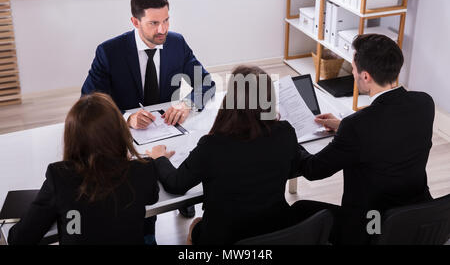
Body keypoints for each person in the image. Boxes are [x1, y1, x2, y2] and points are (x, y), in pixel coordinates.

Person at [81, 0, 214, 218]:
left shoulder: (176, 43)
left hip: (167, 128)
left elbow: (207, 83)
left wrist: (187, 103)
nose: (162, 29)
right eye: (153, 23)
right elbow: (88, 100)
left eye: (166, 20)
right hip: (127, 136)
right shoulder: (109, 51)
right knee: (139, 189)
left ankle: (180, 195)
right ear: (135, 21)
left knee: (189, 156)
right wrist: (126, 117)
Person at [291, 34, 435, 245]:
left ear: (366, 76)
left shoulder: (357, 126)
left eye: (353, 68)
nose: (353, 73)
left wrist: (287, 136)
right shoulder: (424, 103)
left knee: (299, 211)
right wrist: (342, 126)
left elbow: (313, 170)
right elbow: (389, 131)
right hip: (415, 218)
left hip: (370, 227)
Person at [146, 65, 302, 245]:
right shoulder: (286, 132)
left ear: (232, 97)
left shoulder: (212, 145)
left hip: (225, 238)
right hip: (275, 231)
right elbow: (292, 167)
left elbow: (176, 184)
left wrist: (160, 158)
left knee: (196, 225)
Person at [8, 93, 159, 245]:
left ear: (72, 137)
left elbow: (19, 239)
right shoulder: (143, 169)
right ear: (120, 131)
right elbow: (152, 197)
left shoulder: (59, 177)